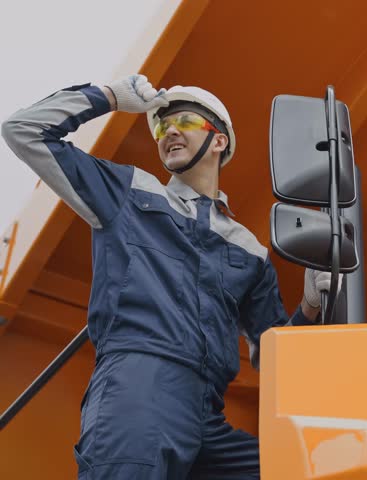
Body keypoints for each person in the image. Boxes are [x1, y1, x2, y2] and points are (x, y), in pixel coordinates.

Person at [1, 74, 334, 478]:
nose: (169, 131)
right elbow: (23, 131)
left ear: (219, 140)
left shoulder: (250, 250)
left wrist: (311, 308)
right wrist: (108, 97)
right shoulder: (127, 192)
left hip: (207, 414)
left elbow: (279, 357)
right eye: (162, 125)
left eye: (186, 122)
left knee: (298, 470)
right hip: (137, 387)